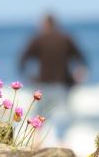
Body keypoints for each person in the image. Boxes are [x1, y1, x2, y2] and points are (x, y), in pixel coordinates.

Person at [19, 12, 87, 144]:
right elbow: (81, 58)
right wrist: (80, 73)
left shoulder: (38, 39)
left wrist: (28, 76)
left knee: (40, 115)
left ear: (44, 24)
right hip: (62, 83)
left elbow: (23, 59)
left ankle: (36, 142)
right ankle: (62, 143)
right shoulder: (65, 38)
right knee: (63, 115)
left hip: (43, 83)